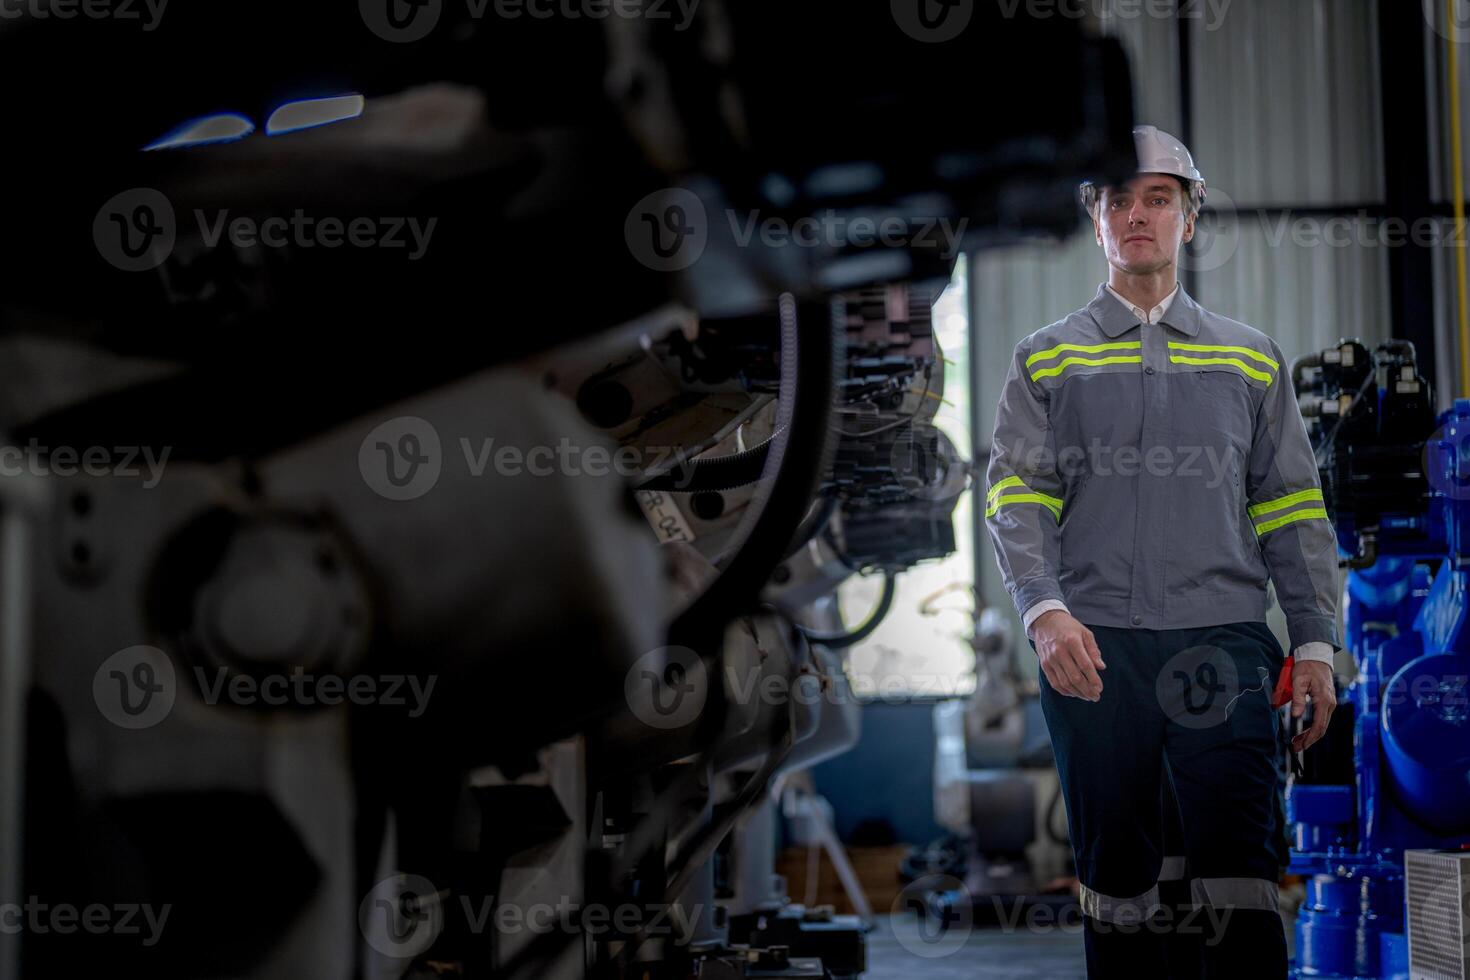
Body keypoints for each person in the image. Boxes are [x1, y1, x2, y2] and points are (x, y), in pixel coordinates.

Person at [983, 125, 1340, 978]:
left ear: (1191, 215)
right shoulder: (1048, 359)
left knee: (1240, 874)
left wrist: (1316, 642)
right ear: (1094, 219)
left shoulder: (1251, 359)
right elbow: (1015, 496)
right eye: (1117, 200)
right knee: (1117, 881)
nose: (1136, 214)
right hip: (1093, 648)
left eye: (1158, 198)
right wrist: (1044, 611)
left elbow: (1292, 507)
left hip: (1223, 643)